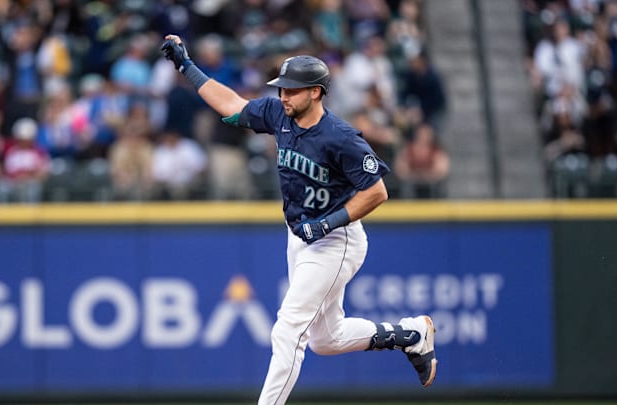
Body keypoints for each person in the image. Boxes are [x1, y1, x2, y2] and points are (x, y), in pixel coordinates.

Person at [160, 34, 437, 405]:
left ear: (316, 93)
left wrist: (329, 223)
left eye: (292, 90)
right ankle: (411, 334)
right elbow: (231, 104)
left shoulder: (341, 137)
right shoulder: (279, 115)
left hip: (337, 240)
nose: (283, 96)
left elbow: (376, 192)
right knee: (327, 339)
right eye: (282, 89)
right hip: (302, 237)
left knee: (288, 330)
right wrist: (187, 67)